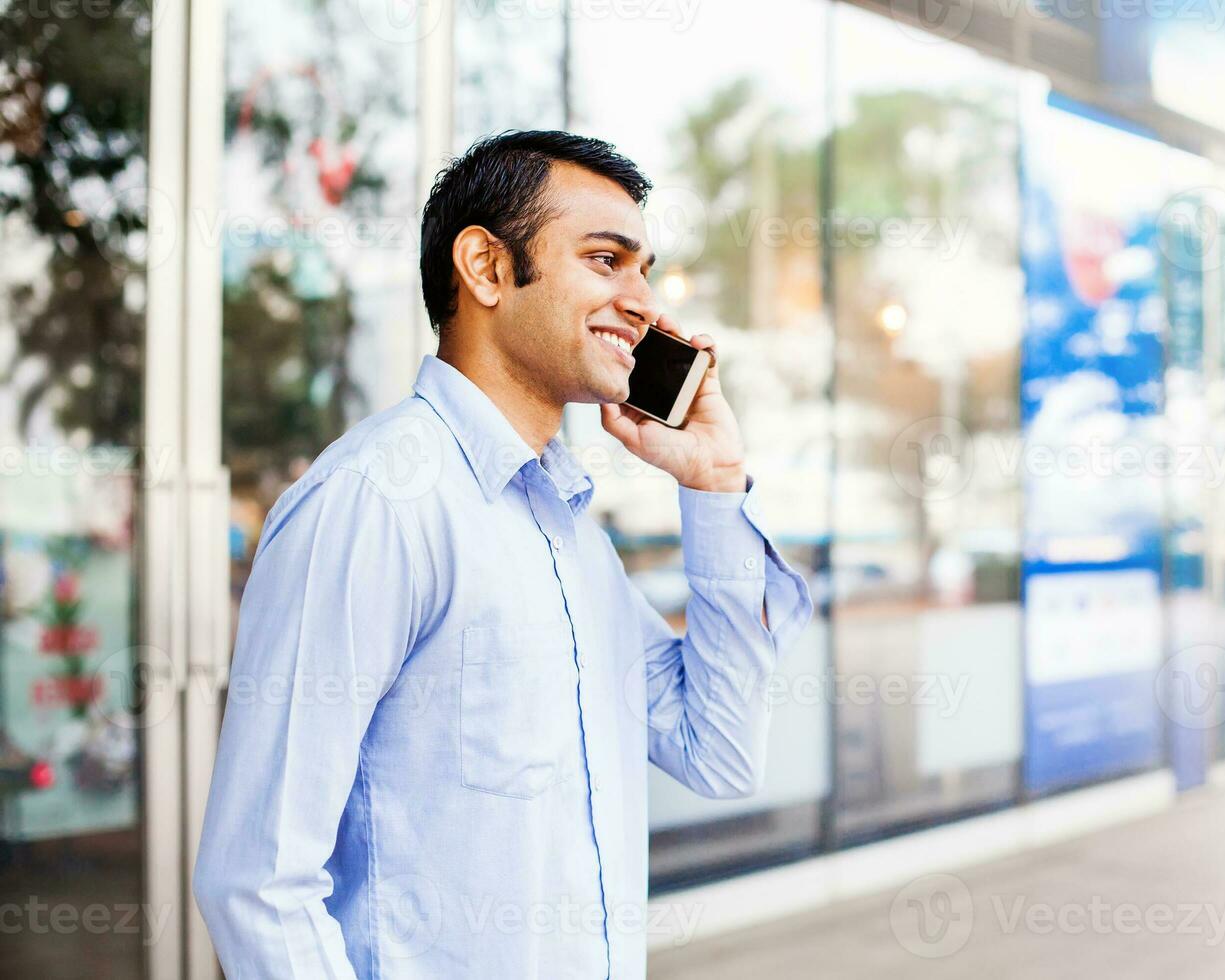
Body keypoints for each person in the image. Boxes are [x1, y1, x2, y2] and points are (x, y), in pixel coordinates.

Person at [192, 130, 813, 978]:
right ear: (485, 268)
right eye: (606, 260)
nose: (642, 301)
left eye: (644, 269)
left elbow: (721, 751)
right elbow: (257, 882)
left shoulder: (567, 534)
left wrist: (715, 485)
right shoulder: (377, 503)